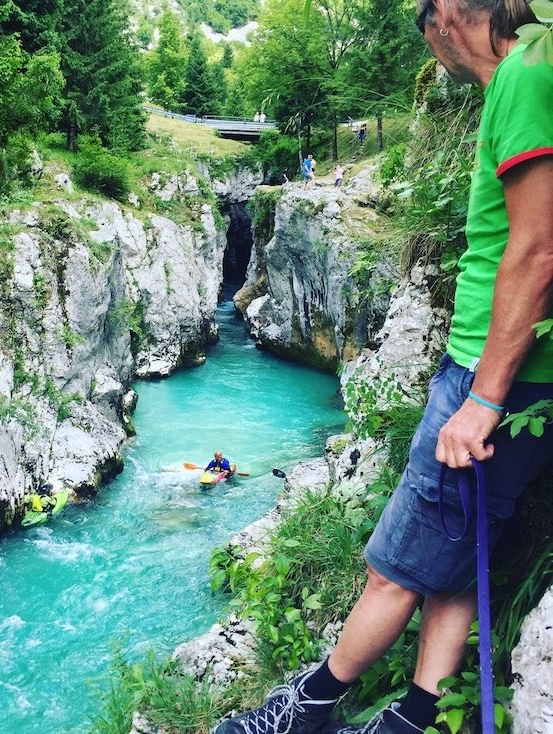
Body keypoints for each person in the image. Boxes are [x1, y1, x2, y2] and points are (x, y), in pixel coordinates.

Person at [212, 1, 553, 733]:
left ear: (449, 13)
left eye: (421, 21)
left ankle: (307, 711)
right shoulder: (533, 67)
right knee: (457, 549)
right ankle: (417, 717)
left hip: (492, 376)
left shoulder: (527, 73)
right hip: (513, 374)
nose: (427, 43)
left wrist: (485, 397)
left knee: (393, 565)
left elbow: (535, 250)